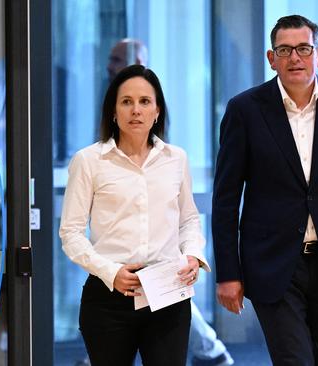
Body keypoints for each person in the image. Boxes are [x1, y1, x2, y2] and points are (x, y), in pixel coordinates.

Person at [212, 15, 318, 365]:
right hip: (274, 263)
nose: (295, 57)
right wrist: (229, 273)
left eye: (303, 49)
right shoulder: (245, 110)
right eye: (285, 49)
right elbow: (226, 199)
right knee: (294, 360)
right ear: (271, 58)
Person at [59, 64, 210, 366]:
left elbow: (189, 219)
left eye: (145, 102)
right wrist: (111, 272)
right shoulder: (89, 161)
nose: (136, 110)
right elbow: (70, 233)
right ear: (113, 111)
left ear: (157, 111)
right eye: (126, 101)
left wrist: (193, 255)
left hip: (167, 294)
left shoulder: (176, 159)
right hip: (108, 298)